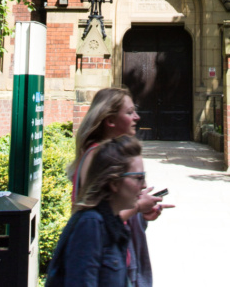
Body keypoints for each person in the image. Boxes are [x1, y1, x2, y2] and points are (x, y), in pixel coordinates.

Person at [69, 88, 167, 287]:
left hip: (115, 256)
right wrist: (138, 207)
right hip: (104, 263)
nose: (137, 117)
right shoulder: (96, 157)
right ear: (110, 120)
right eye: (129, 112)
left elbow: (110, 211)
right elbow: (93, 223)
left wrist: (139, 210)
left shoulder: (104, 153)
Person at [47, 135, 145, 287]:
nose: (144, 185)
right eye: (139, 177)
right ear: (114, 183)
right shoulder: (90, 224)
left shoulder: (112, 223)